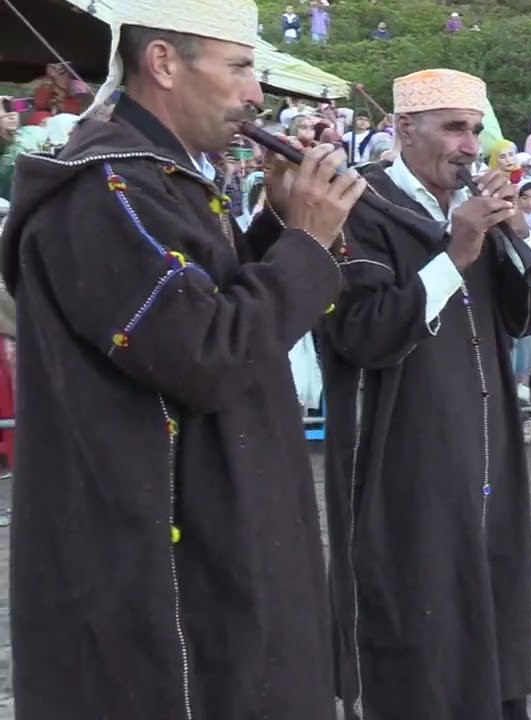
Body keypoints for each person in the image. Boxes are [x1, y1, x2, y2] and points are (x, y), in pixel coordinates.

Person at [0, 0, 365, 716]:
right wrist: (308, 243)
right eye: (240, 67)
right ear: (164, 63)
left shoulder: (165, 179)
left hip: (215, 533)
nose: (256, 94)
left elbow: (213, 302)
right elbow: (205, 355)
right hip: (159, 570)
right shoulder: (106, 190)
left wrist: (278, 224)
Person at [317, 69, 531, 720]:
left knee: (488, 589)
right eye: (453, 128)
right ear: (403, 129)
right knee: (415, 603)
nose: (470, 147)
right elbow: (362, 334)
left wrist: (515, 234)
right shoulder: (358, 207)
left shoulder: (471, 206)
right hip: (403, 457)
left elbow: (526, 320)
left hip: (485, 448)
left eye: (474, 130)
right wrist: (456, 251)